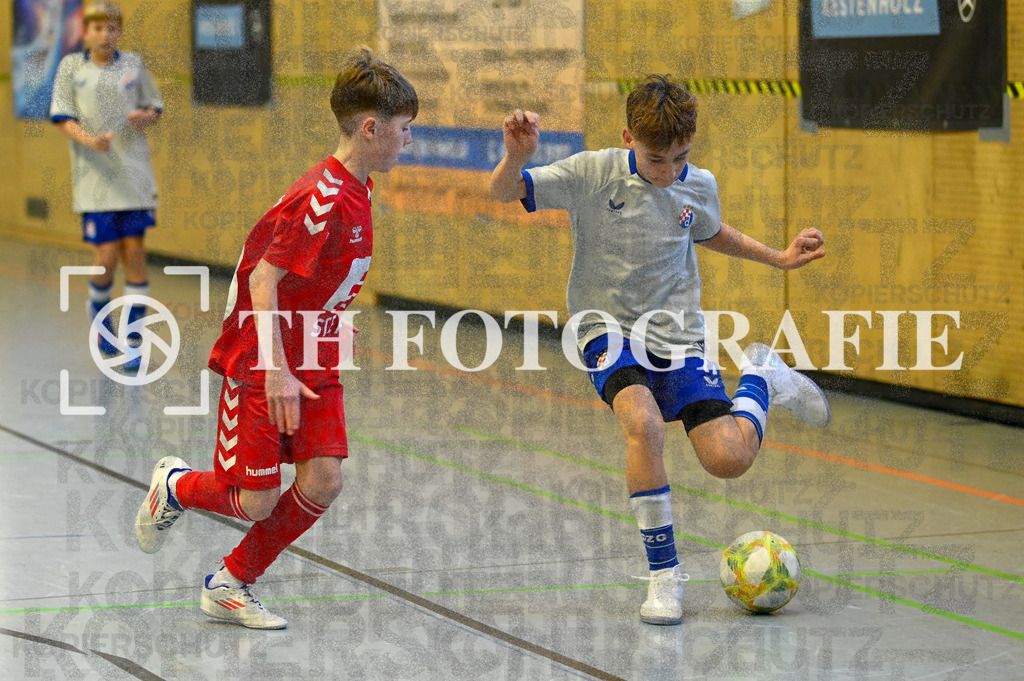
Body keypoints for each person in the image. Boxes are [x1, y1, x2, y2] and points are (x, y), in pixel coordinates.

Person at [489, 74, 831, 625]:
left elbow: (708, 231)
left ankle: (762, 375)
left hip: (678, 336)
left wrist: (778, 257)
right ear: (628, 136)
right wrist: (516, 157)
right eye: (656, 159)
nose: (669, 171)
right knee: (642, 422)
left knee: (729, 460)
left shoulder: (697, 184)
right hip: (606, 329)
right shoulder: (591, 173)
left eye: (681, 157)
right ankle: (664, 576)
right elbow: (506, 192)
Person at [133, 47, 417, 629]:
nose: (408, 140)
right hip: (265, 360)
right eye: (403, 129)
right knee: (254, 498)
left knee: (323, 477)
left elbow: (316, 281)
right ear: (370, 128)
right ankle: (178, 485)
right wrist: (277, 369)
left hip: (313, 353)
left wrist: (332, 320)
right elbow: (264, 279)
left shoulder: (358, 188)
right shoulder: (321, 198)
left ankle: (230, 582)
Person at [49, 1, 162, 370]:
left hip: (134, 178)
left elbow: (154, 109)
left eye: (112, 28)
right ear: (86, 31)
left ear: (119, 31)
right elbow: (63, 117)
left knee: (135, 254)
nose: (105, 34)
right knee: (106, 258)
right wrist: (89, 140)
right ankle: (99, 309)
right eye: (98, 28)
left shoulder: (134, 65)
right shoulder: (71, 67)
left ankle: (132, 340)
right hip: (94, 180)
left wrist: (144, 117)